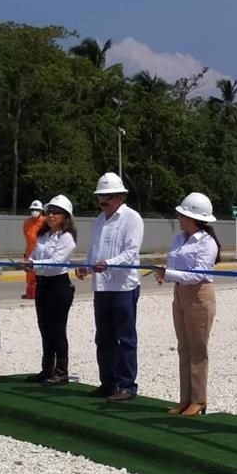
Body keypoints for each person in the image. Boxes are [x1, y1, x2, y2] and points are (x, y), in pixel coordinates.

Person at [75, 172, 144, 402]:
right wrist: (86, 266)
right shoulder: (98, 220)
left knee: (125, 337)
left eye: (109, 197)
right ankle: (108, 382)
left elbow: (131, 253)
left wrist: (108, 264)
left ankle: (127, 386)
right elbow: (94, 251)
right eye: (101, 197)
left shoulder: (132, 218)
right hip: (102, 286)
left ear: (120, 197)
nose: (103, 201)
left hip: (123, 286)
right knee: (103, 337)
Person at [153, 192, 220, 417]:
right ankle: (185, 399)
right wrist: (166, 273)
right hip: (180, 293)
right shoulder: (179, 239)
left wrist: (169, 273)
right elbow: (176, 266)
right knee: (184, 348)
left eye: (183, 215)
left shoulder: (208, 243)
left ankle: (199, 399)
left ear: (195, 218)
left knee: (198, 349)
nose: (179, 218)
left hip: (199, 295)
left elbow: (198, 274)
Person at [27, 195, 77, 386]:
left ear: (65, 216)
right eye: (49, 212)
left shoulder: (67, 237)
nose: (50, 215)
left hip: (59, 285)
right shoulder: (42, 235)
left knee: (57, 328)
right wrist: (29, 263)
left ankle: (61, 371)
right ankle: (47, 369)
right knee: (44, 327)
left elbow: (56, 261)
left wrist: (34, 263)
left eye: (56, 212)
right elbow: (34, 255)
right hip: (43, 284)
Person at [22, 199, 46, 300]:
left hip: (41, 250)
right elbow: (27, 237)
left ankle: (43, 292)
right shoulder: (27, 222)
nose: (34, 211)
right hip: (29, 250)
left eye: (37, 209)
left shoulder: (45, 221)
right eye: (33, 209)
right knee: (30, 273)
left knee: (41, 272)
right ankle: (30, 292)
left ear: (41, 211)